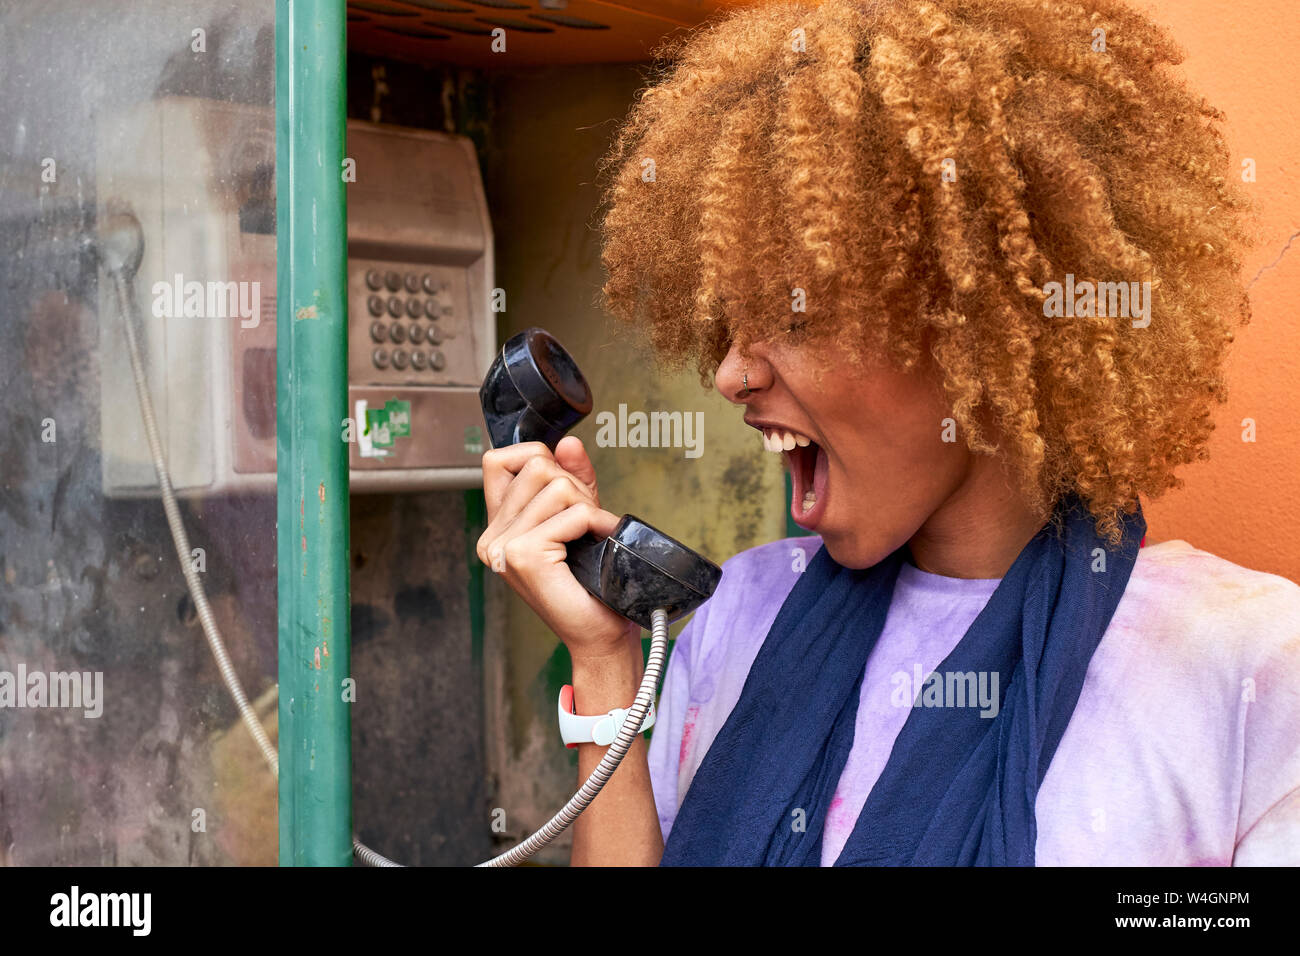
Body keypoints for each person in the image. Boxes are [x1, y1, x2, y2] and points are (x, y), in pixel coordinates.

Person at [477, 0, 1300, 865]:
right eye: (727, 323)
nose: (730, 374)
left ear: (974, 319)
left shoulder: (1246, 665)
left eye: (793, 311)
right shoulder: (737, 619)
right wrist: (605, 658)